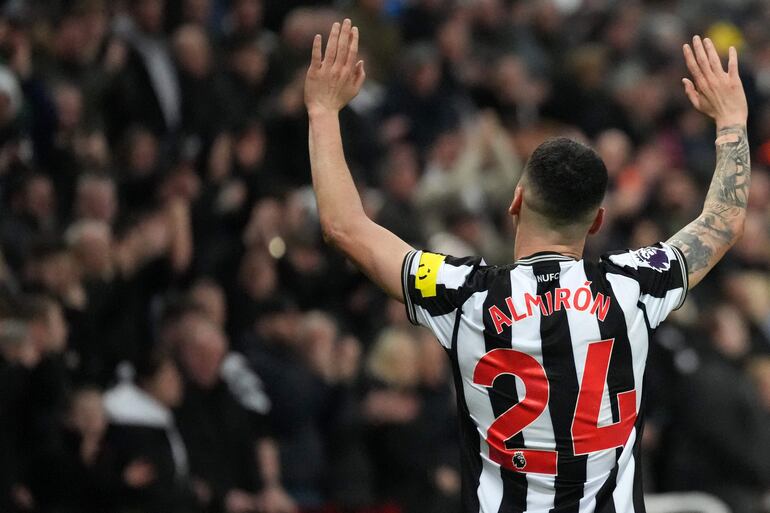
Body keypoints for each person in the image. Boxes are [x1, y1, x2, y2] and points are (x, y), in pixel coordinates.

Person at [304, 21, 750, 513]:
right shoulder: (635, 287)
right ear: (598, 220)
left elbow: (344, 227)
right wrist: (731, 118)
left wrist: (323, 110)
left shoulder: (465, 296)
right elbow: (722, 223)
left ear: (515, 201)